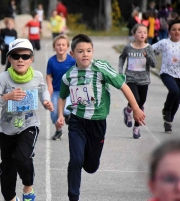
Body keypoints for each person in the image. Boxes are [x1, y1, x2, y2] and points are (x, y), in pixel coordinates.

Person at [56, 34, 145, 201]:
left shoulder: (101, 67)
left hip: (97, 123)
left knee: (90, 167)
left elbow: (123, 85)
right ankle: (73, 197)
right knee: (75, 160)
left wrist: (136, 108)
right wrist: (61, 115)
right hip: (77, 122)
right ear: (72, 54)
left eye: (88, 51)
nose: (85, 54)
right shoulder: (68, 75)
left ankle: (86, 159)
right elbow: (62, 96)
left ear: (93, 51)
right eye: (80, 51)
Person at [0, 38, 53, 201]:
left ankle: (28, 188)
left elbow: (43, 90)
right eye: (16, 56)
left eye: (25, 56)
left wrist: (46, 101)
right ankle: (10, 197)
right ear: (9, 58)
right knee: (8, 167)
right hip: (6, 130)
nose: (20, 60)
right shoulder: (2, 79)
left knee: (22, 157)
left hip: (29, 125)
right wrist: (7, 97)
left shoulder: (37, 76)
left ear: (31, 58)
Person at [118, 23, 156, 139]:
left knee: (140, 104)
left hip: (144, 80)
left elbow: (154, 64)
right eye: (139, 32)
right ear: (134, 34)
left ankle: (136, 127)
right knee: (136, 99)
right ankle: (130, 110)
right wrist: (120, 71)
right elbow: (122, 58)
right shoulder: (128, 47)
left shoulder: (149, 48)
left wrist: (147, 56)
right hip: (131, 78)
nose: (142, 34)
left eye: (145, 32)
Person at [152, 20, 180, 133]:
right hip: (166, 73)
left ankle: (168, 121)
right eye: (174, 30)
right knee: (174, 91)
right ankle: (166, 110)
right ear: (169, 31)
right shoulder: (164, 43)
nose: (177, 32)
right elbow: (150, 49)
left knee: (177, 100)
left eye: (179, 30)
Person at [46, 34, 75, 140]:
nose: (61, 47)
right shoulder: (51, 61)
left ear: (67, 47)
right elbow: (49, 75)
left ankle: (67, 116)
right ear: (54, 47)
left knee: (65, 110)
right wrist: (49, 85)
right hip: (57, 91)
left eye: (63, 45)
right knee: (54, 114)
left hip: (69, 92)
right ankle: (58, 131)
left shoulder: (72, 61)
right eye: (58, 45)